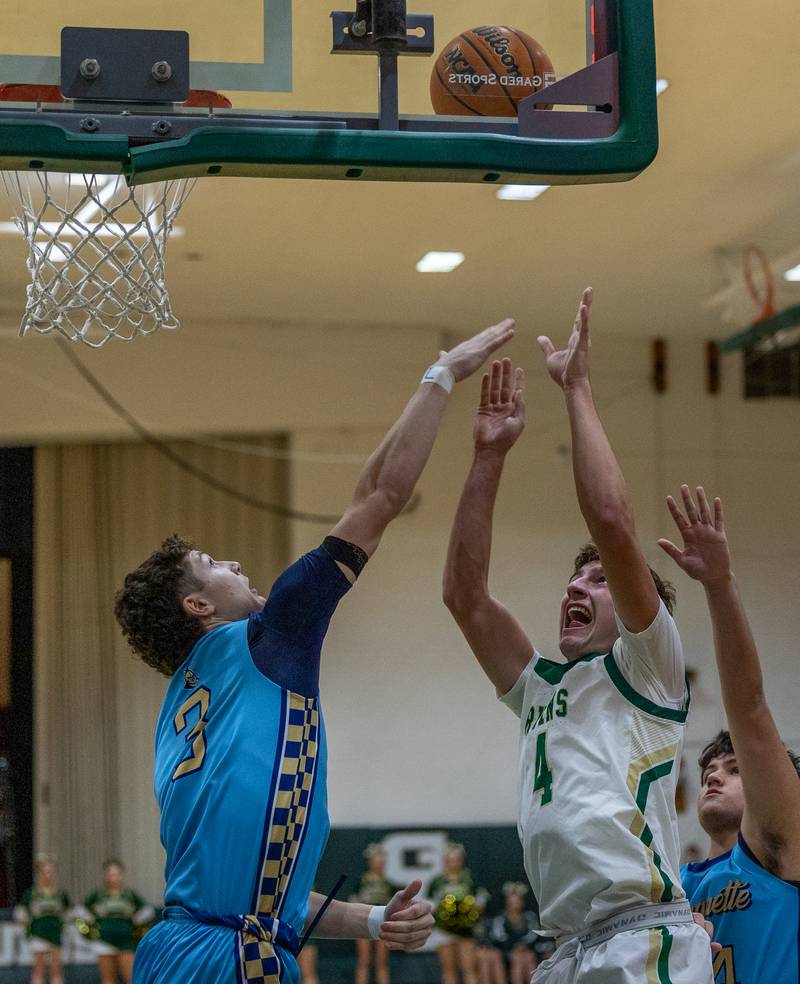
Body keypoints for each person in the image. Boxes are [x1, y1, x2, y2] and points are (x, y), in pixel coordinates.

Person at [114, 318, 515, 984]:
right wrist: (441, 376)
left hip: (176, 950)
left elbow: (257, 892)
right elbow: (381, 495)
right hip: (235, 959)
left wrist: (371, 922)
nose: (236, 562)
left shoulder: (181, 704)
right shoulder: (269, 641)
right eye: (213, 563)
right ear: (198, 606)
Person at [443, 290, 715, 981]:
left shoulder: (649, 665)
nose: (576, 588)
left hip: (639, 940)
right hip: (567, 949)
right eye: (574, 581)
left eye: (596, 582)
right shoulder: (539, 686)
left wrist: (579, 389)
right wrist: (487, 455)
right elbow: (464, 598)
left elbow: (613, 522)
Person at [658, 485, 800, 984]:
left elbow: (750, 708)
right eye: (710, 769)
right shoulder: (676, 888)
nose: (713, 777)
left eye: (735, 770)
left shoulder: (780, 849)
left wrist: (718, 586)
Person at [79, 859, 155, 984]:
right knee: (108, 979)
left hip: (126, 940)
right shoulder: (98, 894)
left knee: (131, 978)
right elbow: (80, 910)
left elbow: (148, 910)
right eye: (109, 874)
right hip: (104, 939)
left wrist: (136, 920)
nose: (113, 877)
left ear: (121, 875)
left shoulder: (129, 894)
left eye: (116, 874)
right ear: (105, 875)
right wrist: (91, 922)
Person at [428, 843, 485, 984]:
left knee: (469, 967)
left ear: (461, 860)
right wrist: (445, 915)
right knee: (448, 969)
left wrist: (466, 914)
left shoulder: (470, 879)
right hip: (444, 930)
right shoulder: (437, 882)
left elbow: (480, 903)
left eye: (456, 859)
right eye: (449, 859)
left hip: (466, 929)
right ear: (444, 861)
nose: (453, 863)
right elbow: (430, 906)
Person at [478, 882, 553, 984]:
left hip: (527, 950)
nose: (515, 904)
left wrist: (523, 945)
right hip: (507, 951)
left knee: (528, 958)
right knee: (517, 959)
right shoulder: (500, 918)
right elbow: (499, 936)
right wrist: (513, 946)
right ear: (507, 902)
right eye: (512, 901)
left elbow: (533, 934)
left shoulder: (530, 917)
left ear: (522, 901)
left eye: (518, 901)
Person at [14, 855, 70, 984]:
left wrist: (64, 923)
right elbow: (21, 913)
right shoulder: (31, 893)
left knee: (56, 970)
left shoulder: (60, 893)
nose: (47, 875)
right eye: (44, 872)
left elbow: (68, 912)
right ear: (39, 873)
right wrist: (27, 927)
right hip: (38, 933)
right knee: (39, 969)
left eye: (50, 872)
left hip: (55, 932)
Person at [353, 845, 395, 984]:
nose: (379, 862)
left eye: (381, 859)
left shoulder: (388, 883)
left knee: (382, 962)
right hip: (363, 921)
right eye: (376, 859)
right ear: (370, 861)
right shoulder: (362, 880)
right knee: (364, 960)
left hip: (383, 924)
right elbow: (353, 900)